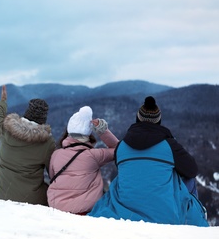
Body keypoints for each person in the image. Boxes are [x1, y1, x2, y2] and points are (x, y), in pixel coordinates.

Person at [89, 96, 209, 227]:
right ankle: (195, 212)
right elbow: (192, 170)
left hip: (124, 211)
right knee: (187, 178)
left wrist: (103, 132)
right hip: (165, 214)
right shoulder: (169, 145)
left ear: (137, 119)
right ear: (158, 121)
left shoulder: (122, 147)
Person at [0, 85, 55, 206]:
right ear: (43, 119)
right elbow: (54, 172)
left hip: (0, 195)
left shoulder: (6, 131)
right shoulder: (46, 144)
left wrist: (2, 102)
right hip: (31, 200)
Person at [47, 106, 119, 214]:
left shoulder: (56, 154)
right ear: (88, 134)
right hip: (85, 210)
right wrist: (103, 131)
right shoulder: (93, 155)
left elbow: (52, 177)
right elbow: (119, 150)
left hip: (57, 209)